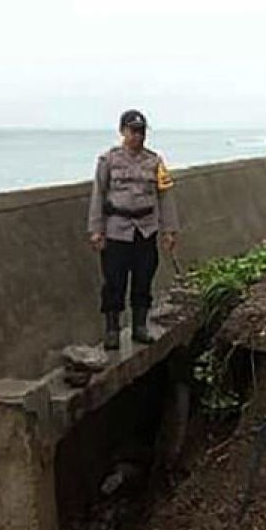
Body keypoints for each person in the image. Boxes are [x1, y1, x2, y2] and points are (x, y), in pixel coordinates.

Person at [88, 109, 180, 350]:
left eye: (141, 132)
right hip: (117, 229)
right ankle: (111, 330)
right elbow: (98, 195)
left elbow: (165, 197)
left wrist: (169, 230)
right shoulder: (108, 161)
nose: (137, 136)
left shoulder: (155, 161)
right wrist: (96, 230)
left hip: (146, 230)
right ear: (122, 131)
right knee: (114, 281)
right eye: (133, 131)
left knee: (144, 278)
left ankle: (140, 326)